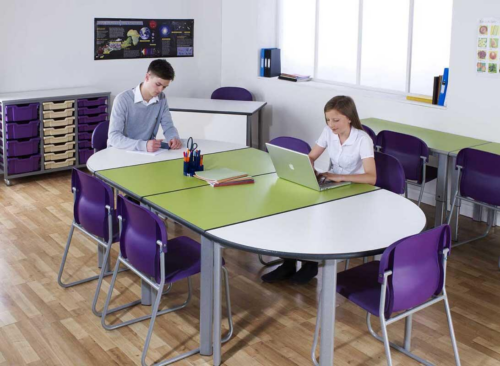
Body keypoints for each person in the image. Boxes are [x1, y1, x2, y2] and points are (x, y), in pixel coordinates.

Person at [261, 95, 376, 284]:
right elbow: (311, 156)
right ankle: (288, 263)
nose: (331, 124)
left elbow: (371, 177)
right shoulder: (328, 132)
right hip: (335, 186)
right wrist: (307, 169)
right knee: (294, 210)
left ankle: (310, 265)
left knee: (313, 215)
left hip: (356, 192)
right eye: (328, 120)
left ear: (349, 117)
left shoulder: (363, 139)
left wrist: (339, 176)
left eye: (336, 120)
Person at [108, 59, 183, 151]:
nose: (160, 90)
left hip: (146, 154)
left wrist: (173, 137)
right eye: (158, 84)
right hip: (122, 152)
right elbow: (114, 137)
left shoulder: (161, 98)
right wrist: (143, 145)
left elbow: (168, 126)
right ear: (147, 77)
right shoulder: (122, 99)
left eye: (164, 87)